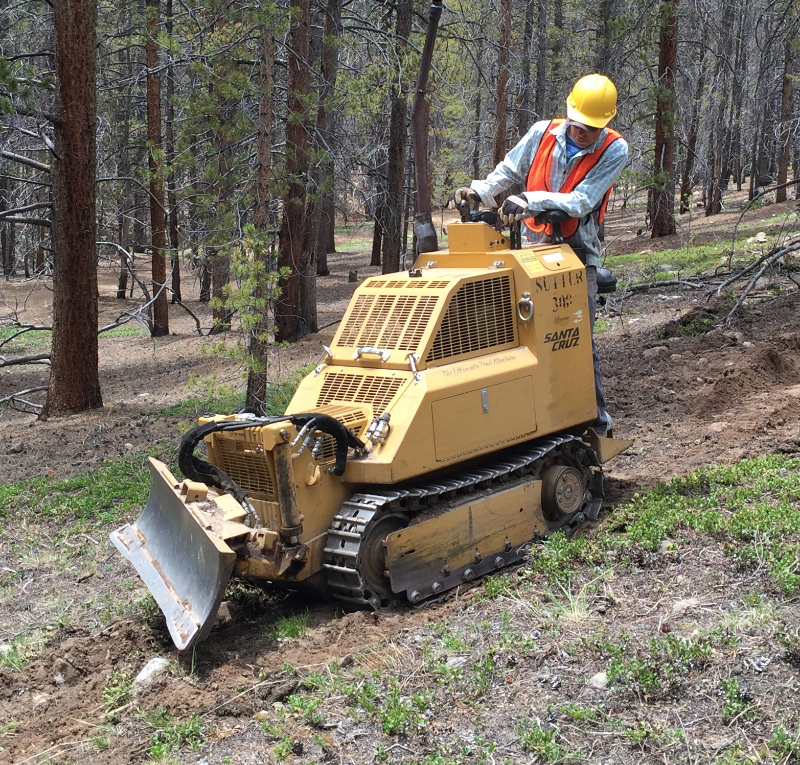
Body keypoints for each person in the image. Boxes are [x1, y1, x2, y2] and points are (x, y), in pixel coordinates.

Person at [451, 73, 628, 437]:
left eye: (591, 129)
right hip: (532, 249)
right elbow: (510, 170)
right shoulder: (542, 132)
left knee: (574, 342)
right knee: (519, 338)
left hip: (578, 254)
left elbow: (581, 200)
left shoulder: (615, 149)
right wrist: (479, 192)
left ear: (605, 124)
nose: (582, 133)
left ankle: (594, 425)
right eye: (578, 125)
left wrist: (530, 200)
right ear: (569, 113)